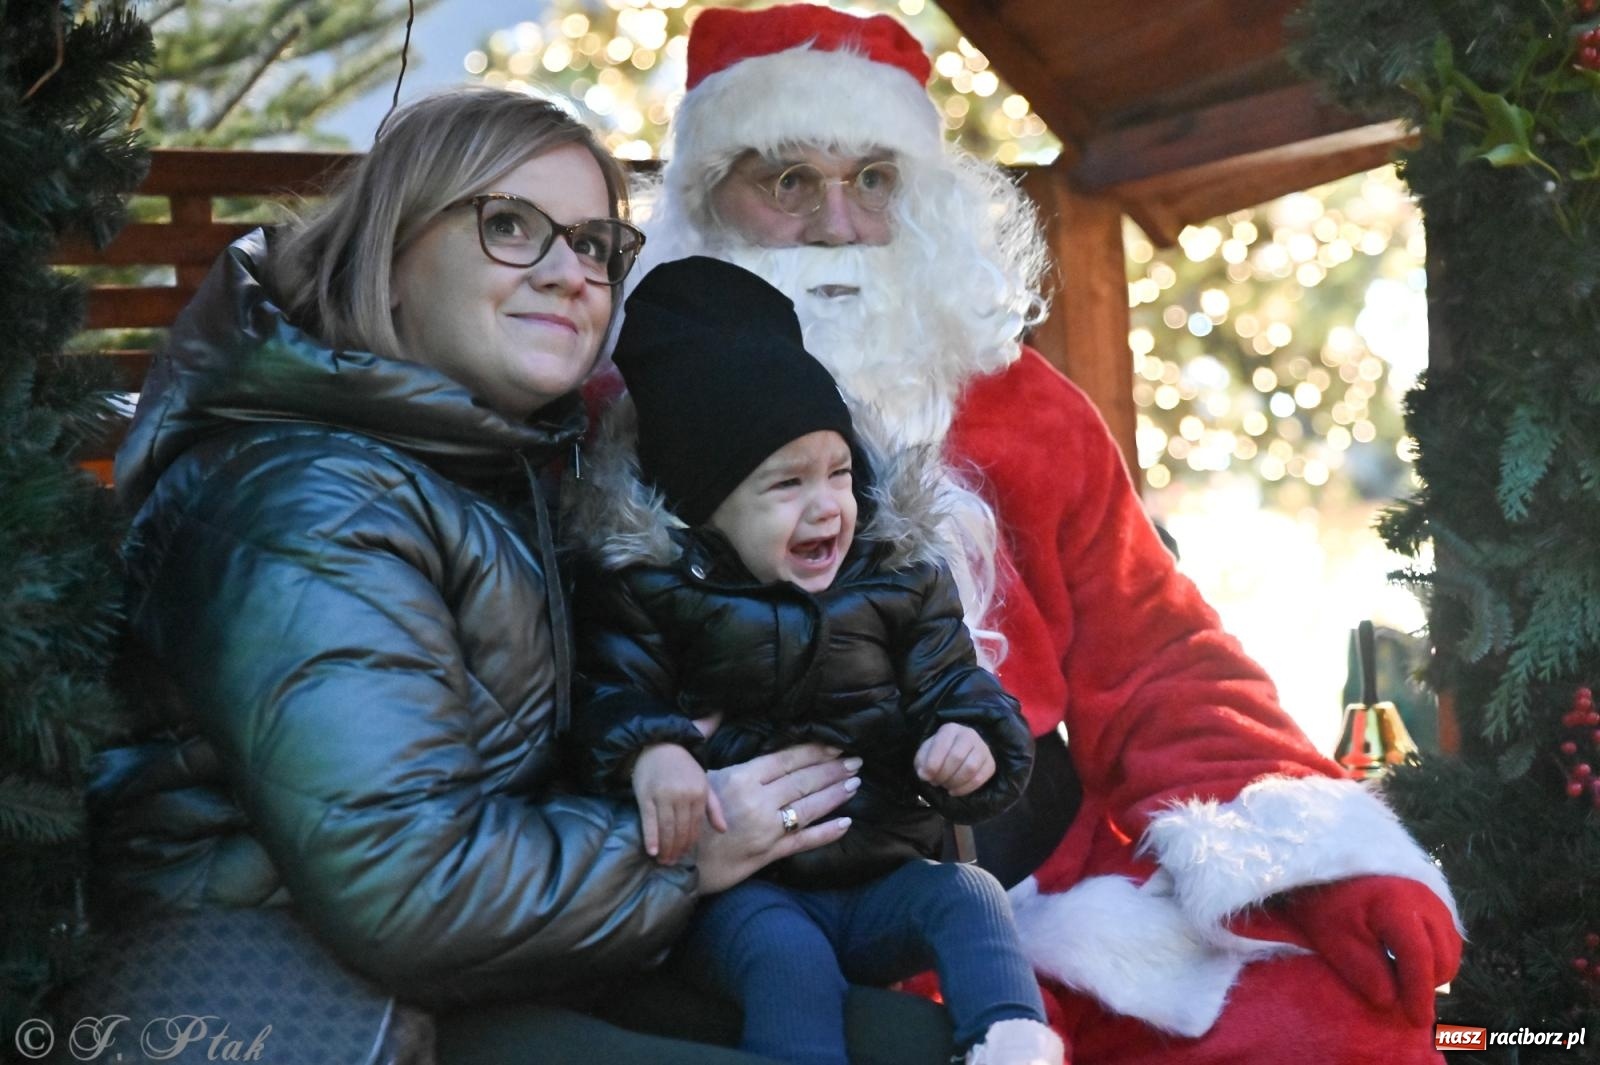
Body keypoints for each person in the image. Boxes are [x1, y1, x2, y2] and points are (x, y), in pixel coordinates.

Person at [630, 5, 1466, 1063]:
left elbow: (1157, 654)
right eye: (789, 181)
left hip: (1051, 893)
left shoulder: (1019, 403)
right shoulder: (621, 418)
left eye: (873, 180)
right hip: (783, 911)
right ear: (707, 199)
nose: (840, 225)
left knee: (1329, 1028)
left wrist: (1315, 858)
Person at [87, 86, 943, 1065]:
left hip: (503, 953)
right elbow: (407, 889)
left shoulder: (498, 462)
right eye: (508, 226)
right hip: (310, 997)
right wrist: (688, 844)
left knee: (916, 1040)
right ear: (389, 258)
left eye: (594, 245)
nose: (569, 273)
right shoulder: (308, 501)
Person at [562, 254, 1053, 1065]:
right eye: (786, 484)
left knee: (968, 894)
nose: (827, 504)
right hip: (746, 894)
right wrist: (651, 750)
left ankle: (1008, 1040)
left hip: (880, 874)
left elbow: (956, 681)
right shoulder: (653, 591)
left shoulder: (896, 576)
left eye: (839, 472)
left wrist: (970, 738)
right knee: (788, 962)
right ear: (706, 506)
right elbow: (608, 693)